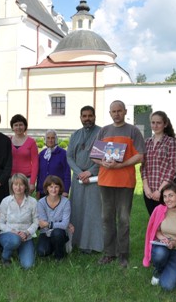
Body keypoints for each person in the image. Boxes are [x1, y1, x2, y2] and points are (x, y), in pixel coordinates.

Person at [92, 100, 145, 268]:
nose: (116, 114)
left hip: (125, 182)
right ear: (110, 113)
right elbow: (94, 155)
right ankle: (109, 253)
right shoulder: (104, 131)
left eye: (119, 111)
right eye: (113, 111)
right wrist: (103, 163)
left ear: (125, 111)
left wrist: (121, 165)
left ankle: (123, 255)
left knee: (123, 219)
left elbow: (140, 156)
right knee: (107, 218)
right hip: (106, 181)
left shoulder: (133, 131)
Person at [66, 105, 103, 254]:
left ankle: (93, 244)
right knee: (77, 209)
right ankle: (77, 241)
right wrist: (79, 172)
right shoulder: (75, 135)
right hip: (78, 179)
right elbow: (69, 156)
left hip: (95, 178)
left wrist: (89, 172)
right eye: (84, 116)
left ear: (94, 116)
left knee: (93, 212)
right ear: (80, 117)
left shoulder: (101, 133)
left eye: (90, 116)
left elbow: (102, 157)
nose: (87, 119)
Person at [141, 111, 176, 215]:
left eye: (158, 122)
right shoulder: (147, 142)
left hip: (165, 191)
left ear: (165, 124)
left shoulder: (171, 142)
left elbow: (172, 168)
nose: (155, 125)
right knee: (153, 220)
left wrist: (160, 190)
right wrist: (146, 187)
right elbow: (143, 166)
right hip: (149, 191)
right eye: (153, 122)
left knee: (165, 221)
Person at [0, 173, 38, 269]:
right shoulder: (6, 201)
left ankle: (19, 250)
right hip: (8, 234)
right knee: (15, 240)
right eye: (15, 184)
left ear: (25, 186)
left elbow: (36, 222)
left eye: (21, 184)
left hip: (26, 236)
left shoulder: (32, 202)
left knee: (28, 265)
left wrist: (27, 233)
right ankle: (5, 258)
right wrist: (14, 232)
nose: (18, 187)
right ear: (12, 186)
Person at [37, 175, 71, 260]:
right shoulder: (41, 203)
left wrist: (49, 224)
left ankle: (59, 256)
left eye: (56, 187)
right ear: (47, 188)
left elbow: (64, 224)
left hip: (59, 232)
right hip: (45, 233)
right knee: (42, 252)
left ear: (60, 188)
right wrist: (57, 223)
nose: (54, 189)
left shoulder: (66, 202)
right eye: (51, 187)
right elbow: (42, 223)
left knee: (57, 233)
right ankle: (54, 246)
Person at [37, 129, 71, 199]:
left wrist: (66, 190)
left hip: (58, 191)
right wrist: (38, 189)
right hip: (44, 191)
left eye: (52, 138)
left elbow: (67, 173)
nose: (50, 140)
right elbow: (39, 174)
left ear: (56, 139)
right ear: (45, 139)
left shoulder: (63, 153)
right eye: (48, 138)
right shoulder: (42, 154)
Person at [9, 114, 39, 194]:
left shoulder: (31, 142)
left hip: (26, 179)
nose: (18, 127)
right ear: (12, 127)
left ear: (25, 126)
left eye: (21, 125)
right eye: (16, 125)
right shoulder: (8, 141)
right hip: (11, 179)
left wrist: (32, 182)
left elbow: (35, 163)